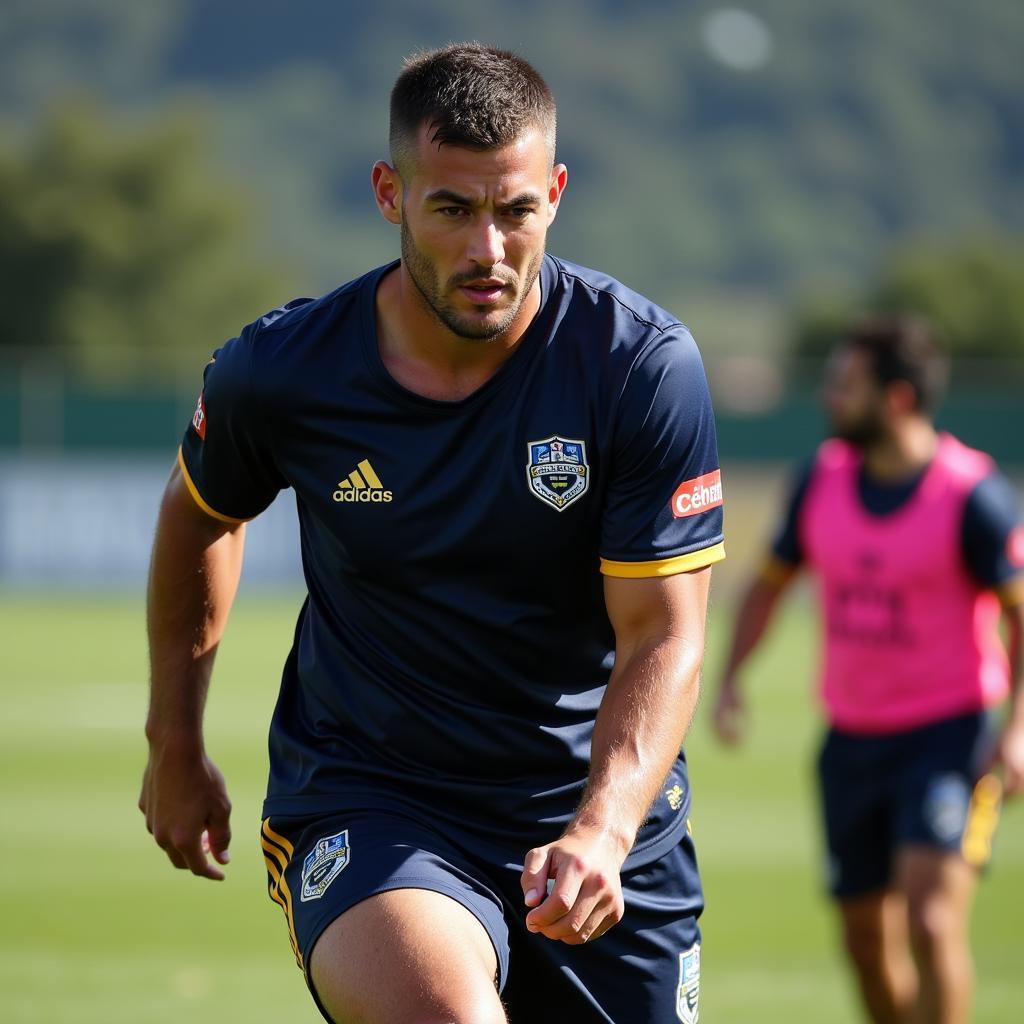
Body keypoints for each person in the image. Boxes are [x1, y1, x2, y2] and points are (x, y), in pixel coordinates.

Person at [140, 42, 725, 1024]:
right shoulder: (281, 371)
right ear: (390, 192)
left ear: (556, 192)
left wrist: (602, 828)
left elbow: (664, 631)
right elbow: (201, 511)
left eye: (515, 210)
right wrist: (173, 739)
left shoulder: (635, 366)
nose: (486, 249)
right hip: (373, 801)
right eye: (451, 209)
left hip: (598, 830)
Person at [712, 314, 1024, 1024]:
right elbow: (768, 586)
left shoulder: (971, 495)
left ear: (898, 399)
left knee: (932, 923)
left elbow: (1020, 612)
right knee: (862, 941)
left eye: (846, 385)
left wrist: (1017, 731)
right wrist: (730, 679)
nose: (829, 397)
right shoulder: (820, 481)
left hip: (950, 739)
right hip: (850, 742)